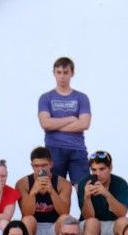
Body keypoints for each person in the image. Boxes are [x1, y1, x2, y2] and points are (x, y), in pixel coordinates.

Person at [36, 56, 90, 186]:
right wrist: (71, 119)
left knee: (84, 190)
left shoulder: (81, 98)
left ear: (72, 73)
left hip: (77, 150)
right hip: (53, 150)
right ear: (54, 73)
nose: (62, 76)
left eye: (66, 72)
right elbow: (45, 124)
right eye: (58, 72)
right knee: (54, 190)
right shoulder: (45, 98)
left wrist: (55, 125)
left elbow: (84, 124)